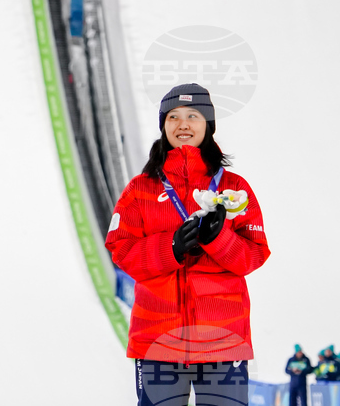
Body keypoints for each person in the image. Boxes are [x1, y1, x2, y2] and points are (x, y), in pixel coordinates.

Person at [105, 83, 270, 406]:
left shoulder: (233, 188)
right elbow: (121, 251)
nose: (183, 124)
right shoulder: (140, 189)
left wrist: (218, 240)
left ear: (208, 125)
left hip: (223, 338)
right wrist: (172, 248)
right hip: (157, 340)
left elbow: (254, 254)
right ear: (163, 125)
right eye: (173, 117)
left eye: (193, 116)